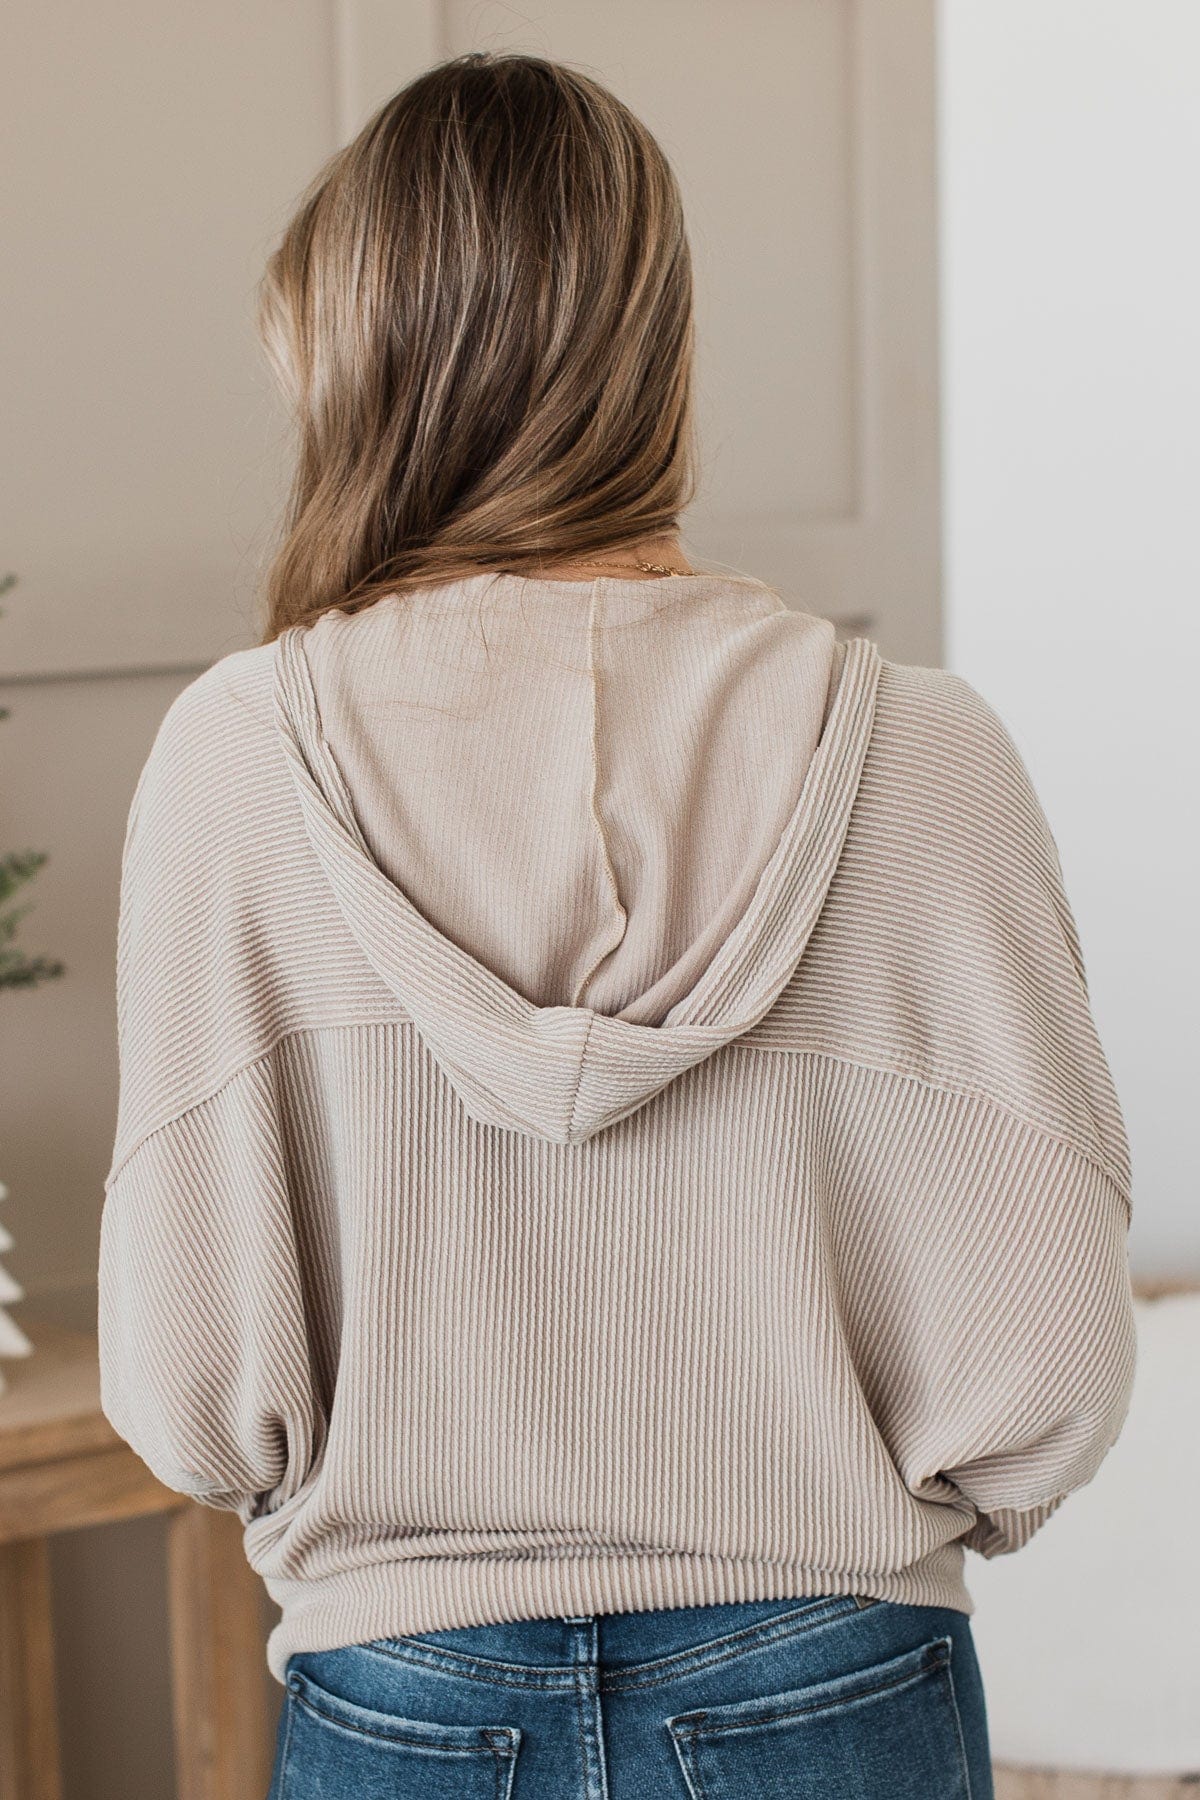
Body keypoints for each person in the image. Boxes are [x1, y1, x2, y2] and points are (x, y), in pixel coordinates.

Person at [97, 50, 1136, 1800]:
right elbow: (1052, 1337)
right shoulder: (921, 753)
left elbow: (189, 1371)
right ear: (657, 349)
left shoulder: (237, 758)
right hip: (836, 1679)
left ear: (359, 370)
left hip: (405, 1697)